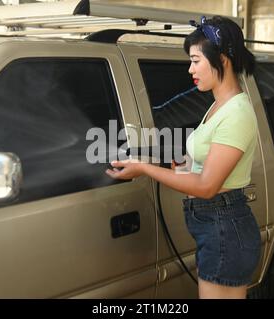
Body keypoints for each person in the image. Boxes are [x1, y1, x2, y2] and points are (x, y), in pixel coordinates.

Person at [105, 15, 261, 299]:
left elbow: (206, 186)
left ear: (222, 59)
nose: (190, 69)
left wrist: (143, 167)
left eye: (196, 60)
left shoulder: (236, 114)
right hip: (217, 226)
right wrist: (183, 168)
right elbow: (205, 170)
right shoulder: (218, 106)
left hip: (224, 227)